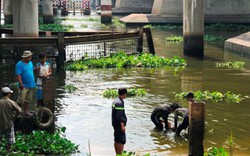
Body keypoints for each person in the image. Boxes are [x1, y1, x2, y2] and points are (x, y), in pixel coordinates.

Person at [0, 87, 22, 152]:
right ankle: (8, 150)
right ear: (8, 94)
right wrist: (15, 117)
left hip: (0, 123)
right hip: (9, 122)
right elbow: (19, 110)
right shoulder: (11, 102)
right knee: (10, 139)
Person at [15, 50, 36, 115]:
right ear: (25, 57)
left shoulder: (30, 63)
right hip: (24, 85)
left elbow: (31, 70)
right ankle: (17, 112)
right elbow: (18, 75)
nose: (31, 58)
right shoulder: (19, 64)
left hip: (31, 84)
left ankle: (26, 111)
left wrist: (36, 69)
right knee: (21, 100)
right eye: (29, 57)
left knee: (28, 99)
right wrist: (20, 83)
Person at [112, 88, 127, 155]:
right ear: (125, 94)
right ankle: (120, 154)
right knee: (122, 141)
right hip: (119, 125)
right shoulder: (119, 103)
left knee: (117, 140)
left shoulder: (115, 101)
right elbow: (119, 116)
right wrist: (122, 125)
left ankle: (117, 154)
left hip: (115, 123)